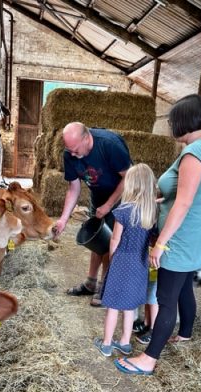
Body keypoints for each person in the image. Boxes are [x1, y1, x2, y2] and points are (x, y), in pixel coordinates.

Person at [114, 94, 201, 376]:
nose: (170, 127)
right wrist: (163, 203)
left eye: (171, 121)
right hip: (199, 234)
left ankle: (148, 360)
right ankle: (185, 333)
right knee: (185, 287)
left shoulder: (192, 154)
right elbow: (188, 196)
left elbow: (184, 202)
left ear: (182, 121)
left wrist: (160, 244)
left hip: (181, 240)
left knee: (165, 299)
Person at [54, 122, 132, 306]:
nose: (72, 154)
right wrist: (64, 219)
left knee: (108, 240)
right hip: (99, 195)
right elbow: (73, 187)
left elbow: (129, 176)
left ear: (87, 138)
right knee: (95, 236)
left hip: (122, 195)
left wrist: (109, 205)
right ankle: (91, 283)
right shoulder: (70, 153)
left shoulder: (109, 145)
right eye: (69, 150)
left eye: (74, 149)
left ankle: (106, 287)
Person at [93, 163, 157, 356]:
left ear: (131, 184)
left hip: (122, 261)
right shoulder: (151, 212)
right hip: (140, 263)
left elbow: (115, 239)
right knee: (130, 307)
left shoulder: (124, 210)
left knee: (113, 305)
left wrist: (113, 259)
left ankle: (106, 344)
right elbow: (151, 238)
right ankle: (125, 343)